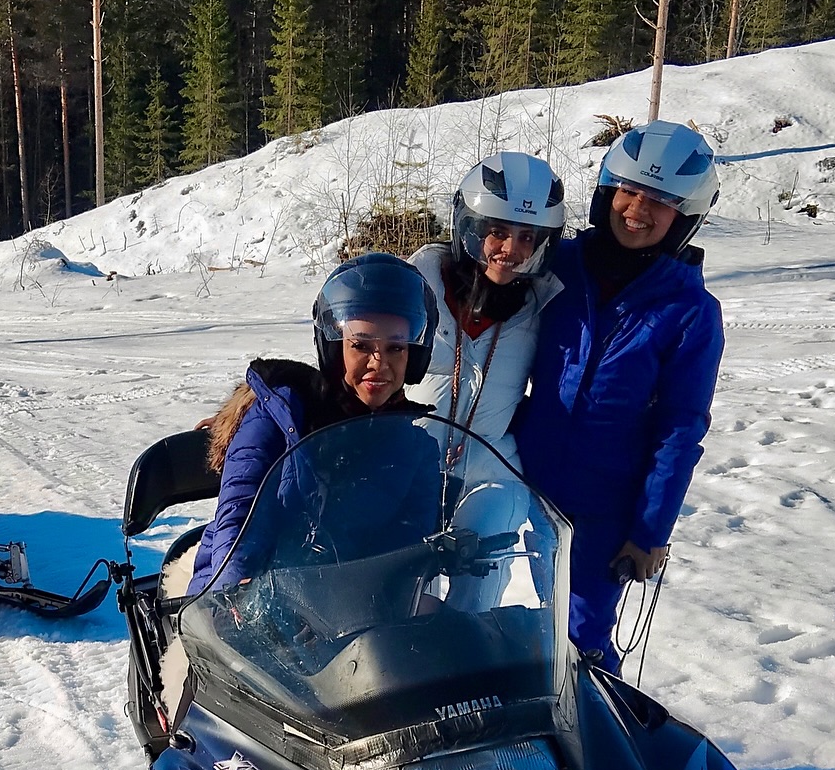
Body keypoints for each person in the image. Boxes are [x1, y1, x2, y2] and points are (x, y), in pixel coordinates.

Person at [512, 119, 723, 671]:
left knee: (581, 636)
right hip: (521, 480)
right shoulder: (559, 265)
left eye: (661, 201)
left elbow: (681, 427)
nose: (638, 209)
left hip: (604, 505)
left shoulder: (690, 313)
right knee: (529, 620)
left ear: (686, 218)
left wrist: (650, 531)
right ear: (607, 192)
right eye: (629, 190)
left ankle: (595, 741)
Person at [186, 252, 439, 597]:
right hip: (248, 605)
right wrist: (237, 582)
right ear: (335, 348)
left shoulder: (415, 447)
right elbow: (239, 510)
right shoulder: (283, 413)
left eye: (395, 348)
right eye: (361, 345)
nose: (379, 363)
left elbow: (412, 541)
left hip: (352, 609)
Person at [409, 151, 565, 526]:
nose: (511, 249)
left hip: (489, 470)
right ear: (469, 228)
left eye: (527, 237)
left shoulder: (539, 311)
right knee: (402, 578)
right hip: (407, 463)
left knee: (483, 574)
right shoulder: (415, 291)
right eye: (498, 232)